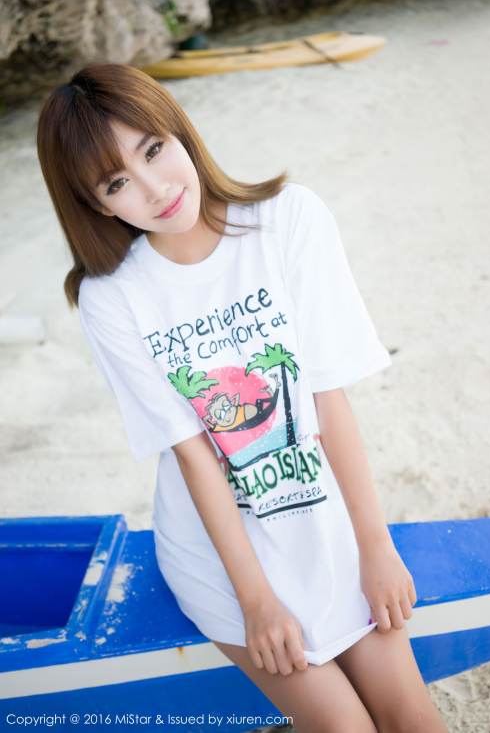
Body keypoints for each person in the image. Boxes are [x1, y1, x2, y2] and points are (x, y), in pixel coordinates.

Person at [36, 63, 448, 733]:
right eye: (117, 183)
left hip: (318, 515)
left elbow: (327, 396)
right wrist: (256, 601)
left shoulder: (287, 220)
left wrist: (375, 547)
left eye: (153, 150)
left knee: (411, 716)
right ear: (98, 206)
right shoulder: (112, 298)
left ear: (179, 130)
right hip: (218, 552)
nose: (154, 188)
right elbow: (195, 455)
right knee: (344, 727)